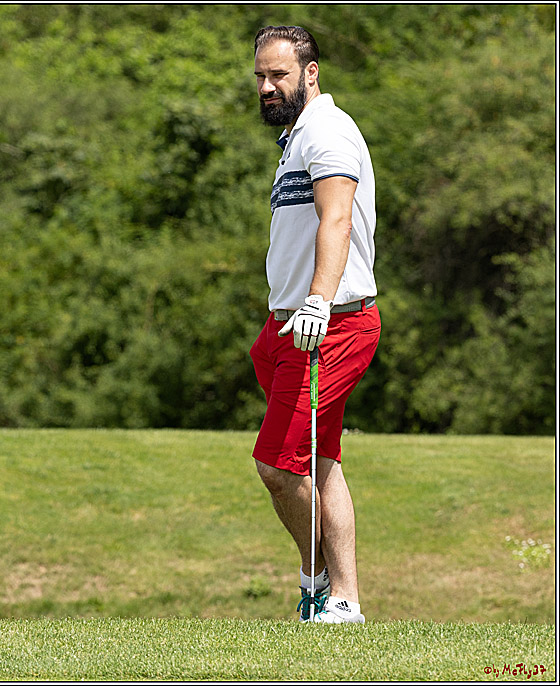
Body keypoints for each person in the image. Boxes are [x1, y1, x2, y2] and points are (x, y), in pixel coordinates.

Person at [249, 26, 380, 623]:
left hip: (329, 325)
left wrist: (317, 303)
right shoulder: (294, 137)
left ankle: (319, 583)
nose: (268, 86)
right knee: (319, 460)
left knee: (278, 464)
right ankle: (343, 602)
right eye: (260, 76)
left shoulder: (326, 130)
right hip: (290, 328)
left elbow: (337, 219)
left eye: (279, 75)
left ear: (311, 72)